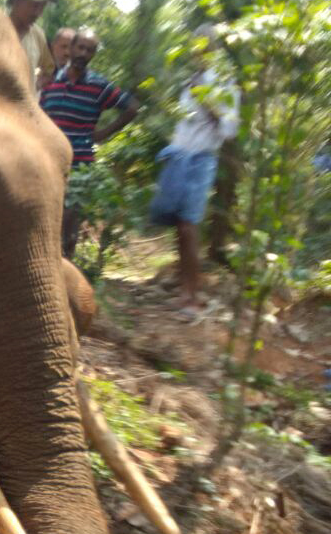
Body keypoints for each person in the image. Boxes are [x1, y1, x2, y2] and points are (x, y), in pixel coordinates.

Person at [149, 24, 240, 318]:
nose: (199, 51)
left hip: (202, 159)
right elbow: (183, 121)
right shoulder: (188, 81)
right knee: (179, 225)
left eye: (205, 45)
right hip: (179, 156)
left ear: (214, 49)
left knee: (189, 226)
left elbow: (229, 130)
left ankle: (194, 297)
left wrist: (208, 100)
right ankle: (184, 290)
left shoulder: (226, 83)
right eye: (196, 45)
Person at [40, 28, 140, 256]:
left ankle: (66, 275)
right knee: (45, 219)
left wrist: (104, 133)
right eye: (80, 47)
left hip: (79, 164)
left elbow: (132, 107)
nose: (83, 53)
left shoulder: (98, 86)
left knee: (69, 225)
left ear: (93, 54)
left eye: (90, 50)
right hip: (46, 163)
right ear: (72, 48)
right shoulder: (50, 81)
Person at [7, 0, 56, 93]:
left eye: (42, 7)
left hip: (25, 109)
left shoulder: (37, 34)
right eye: (34, 5)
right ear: (17, 3)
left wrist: (35, 86)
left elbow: (49, 70)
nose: (38, 13)